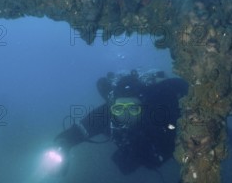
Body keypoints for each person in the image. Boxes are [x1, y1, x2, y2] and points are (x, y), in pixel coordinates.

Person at [54, 69, 188, 174]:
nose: (126, 115)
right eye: (119, 109)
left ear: (143, 107)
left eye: (133, 108)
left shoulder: (157, 112)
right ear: (112, 108)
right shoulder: (106, 114)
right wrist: (61, 147)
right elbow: (77, 132)